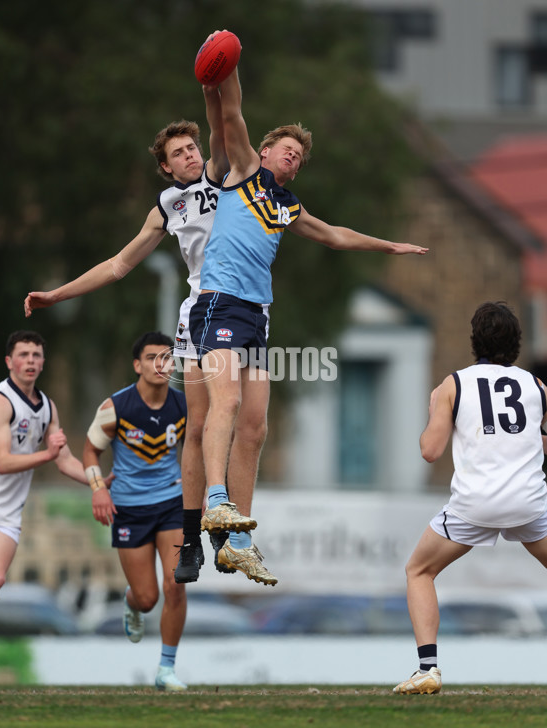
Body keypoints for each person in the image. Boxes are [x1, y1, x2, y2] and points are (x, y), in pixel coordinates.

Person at [189, 34, 429, 587]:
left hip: (257, 316)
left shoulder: (286, 204)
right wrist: (227, 67)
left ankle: (240, 542)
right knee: (223, 401)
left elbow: (336, 235)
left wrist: (389, 246)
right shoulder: (243, 170)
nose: (293, 155)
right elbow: (230, 112)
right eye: (287, 148)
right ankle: (215, 500)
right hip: (219, 303)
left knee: (255, 425)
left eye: (300, 154)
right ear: (267, 152)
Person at [23, 93, 258, 585]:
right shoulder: (168, 206)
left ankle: (230, 534)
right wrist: (57, 296)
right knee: (202, 424)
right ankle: (194, 538)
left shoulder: (219, 174)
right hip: (202, 312)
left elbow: (221, 128)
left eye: (192, 146)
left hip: (246, 309)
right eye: (179, 152)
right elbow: (117, 265)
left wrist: (212, 83)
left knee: (247, 427)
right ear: (166, 169)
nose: (191, 154)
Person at [393, 301, 547, 695]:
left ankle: (428, 667)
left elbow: (430, 450)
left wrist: (434, 409)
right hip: (528, 502)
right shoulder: (537, 386)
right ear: (516, 344)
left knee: (419, 571)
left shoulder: (454, 384)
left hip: (474, 504)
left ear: (474, 339)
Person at [0, 330, 90, 688]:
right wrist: (47, 453)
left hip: (6, 513)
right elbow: (3, 461)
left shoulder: (49, 407)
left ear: (43, 362)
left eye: (36, 355)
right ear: (9, 362)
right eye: (23, 354)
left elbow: (65, 460)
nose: (30, 361)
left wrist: (100, 480)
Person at [83, 331, 188, 691]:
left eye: (167, 357)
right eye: (153, 357)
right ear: (137, 365)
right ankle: (131, 602)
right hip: (128, 508)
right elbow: (90, 453)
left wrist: (206, 491)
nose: (162, 364)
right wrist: (99, 491)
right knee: (148, 598)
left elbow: (200, 449)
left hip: (172, 503)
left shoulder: (183, 406)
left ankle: (166, 670)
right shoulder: (116, 408)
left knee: (176, 584)